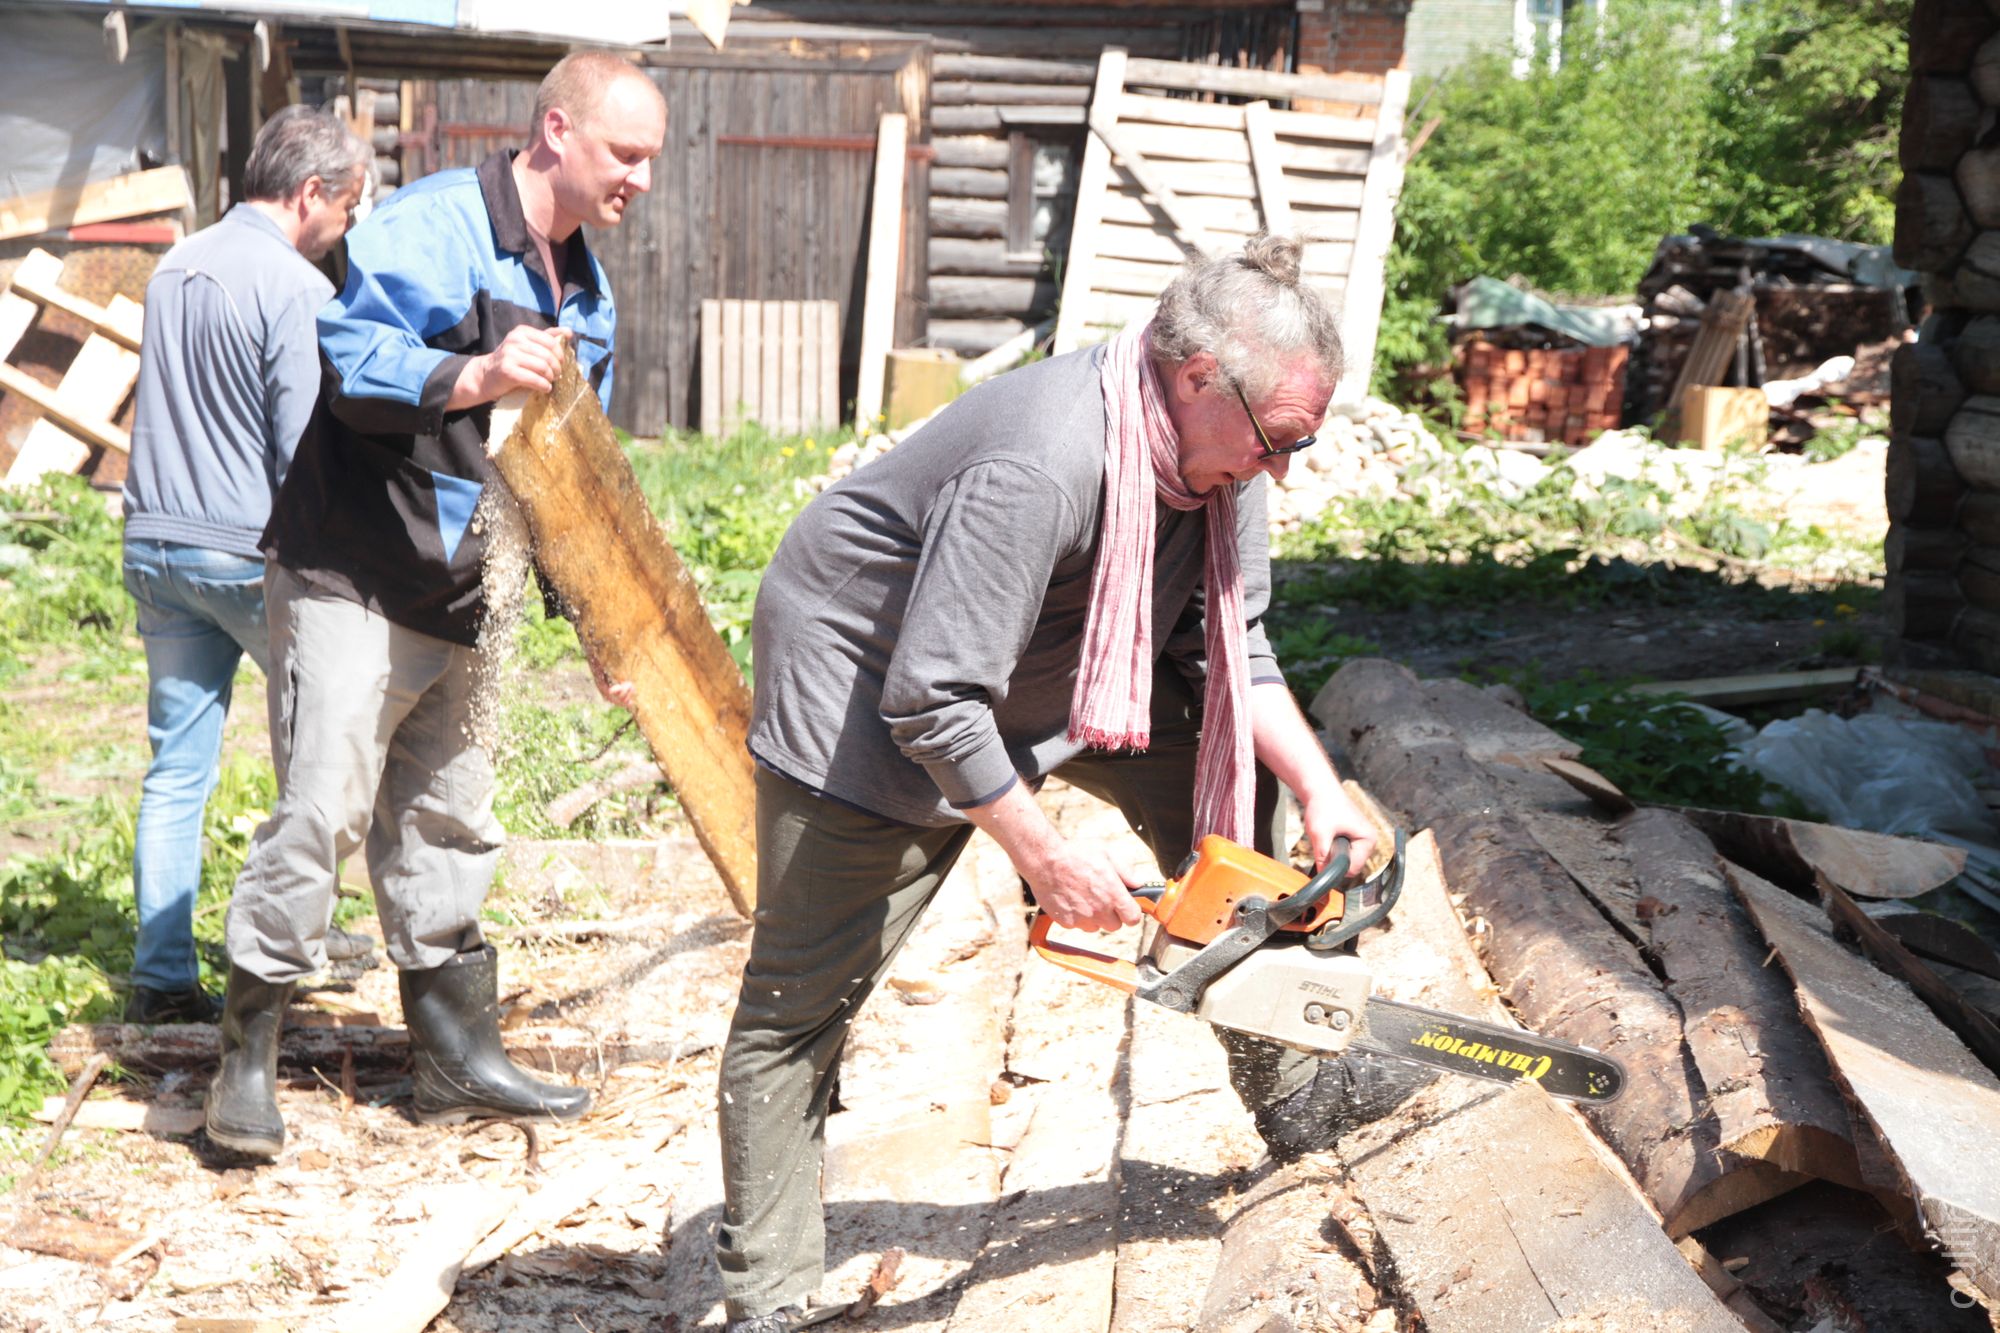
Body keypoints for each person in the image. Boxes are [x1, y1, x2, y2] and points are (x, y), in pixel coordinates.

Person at [716, 235, 1429, 1331]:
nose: (1283, 467)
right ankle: (767, 1293)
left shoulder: (1223, 456)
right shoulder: (1041, 461)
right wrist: (1042, 854)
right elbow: (933, 699)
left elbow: (1233, 645)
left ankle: (1298, 1090)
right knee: (796, 1006)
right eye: (1278, 439)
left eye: (1303, 441)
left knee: (1240, 794)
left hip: (1068, 659)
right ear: (1199, 378)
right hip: (868, 683)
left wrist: (1320, 786)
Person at [203, 53, 667, 1159]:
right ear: (557, 131)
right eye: (625, 153)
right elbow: (347, 355)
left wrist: (599, 625)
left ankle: (456, 1062)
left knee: (450, 822)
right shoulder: (436, 225)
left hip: (467, 592)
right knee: (322, 810)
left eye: (650, 159)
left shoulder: (587, 295)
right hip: (356, 572)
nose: (641, 179)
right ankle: (244, 1060)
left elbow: (567, 477)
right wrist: (474, 373)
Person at [119, 106, 371, 1024]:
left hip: (154, 542)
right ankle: (295, 943)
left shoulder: (174, 266)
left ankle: (160, 978)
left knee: (176, 770)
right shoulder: (297, 288)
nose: (348, 225)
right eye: (348, 206)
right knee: (320, 750)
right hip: (244, 554)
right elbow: (306, 446)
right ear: (310, 193)